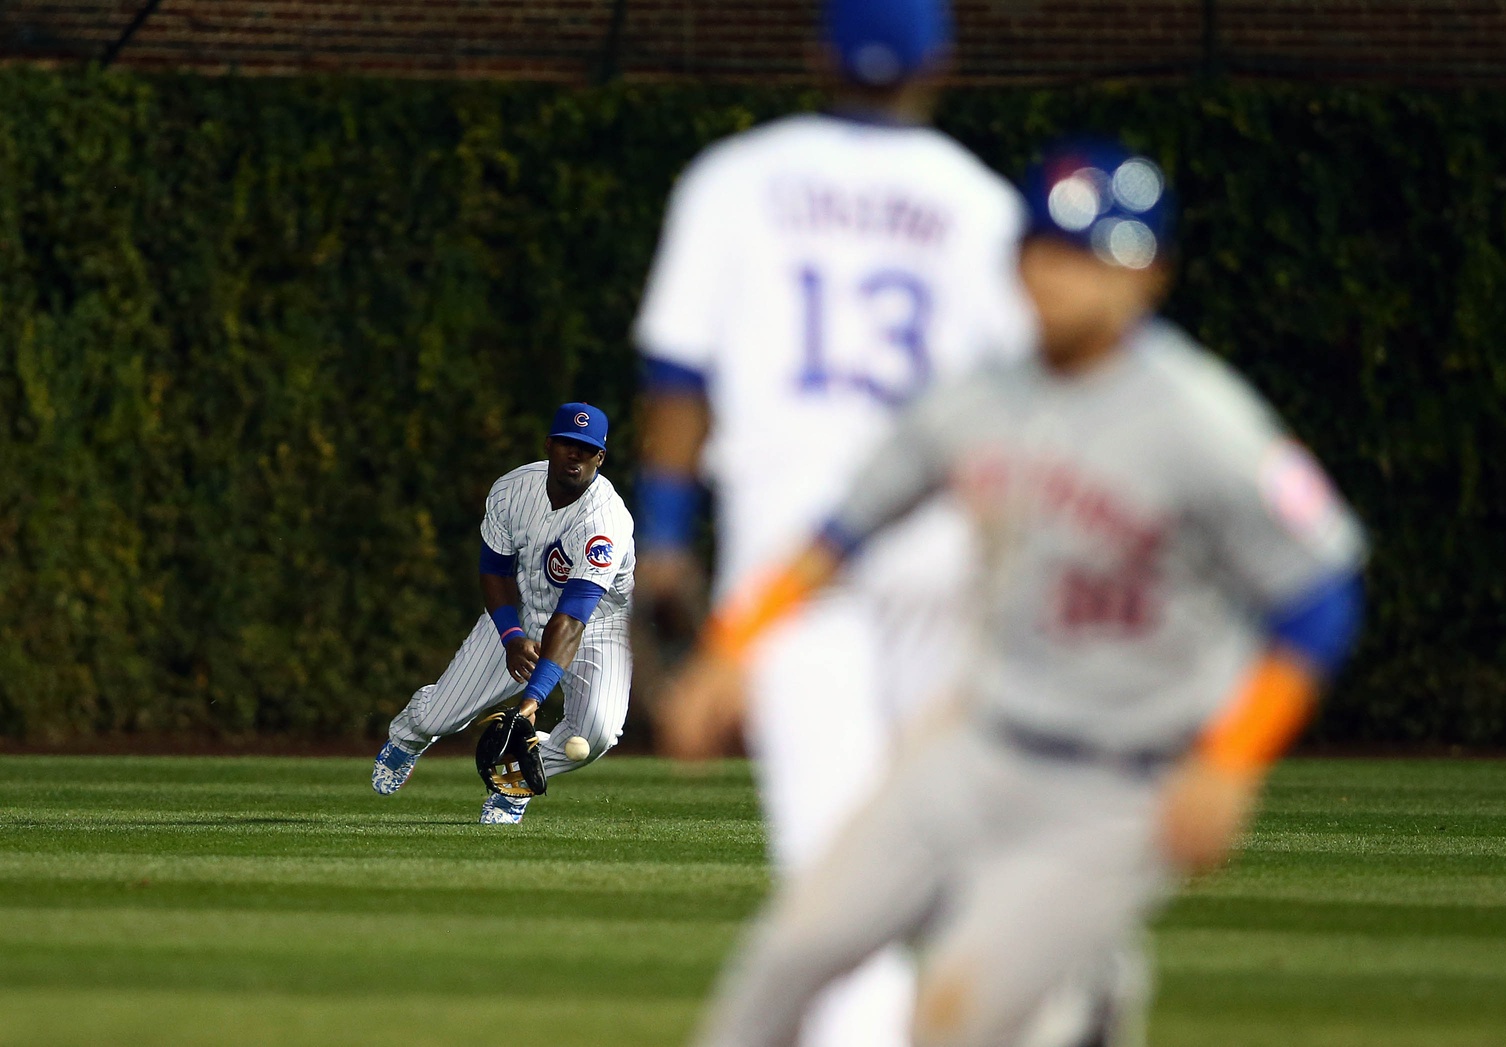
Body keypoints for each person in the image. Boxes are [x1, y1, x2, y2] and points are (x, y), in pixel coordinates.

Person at [660, 139, 1368, 1047]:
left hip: (1114, 784)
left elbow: (1322, 593)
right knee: (788, 959)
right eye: (1045, 250)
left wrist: (1231, 758)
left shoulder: (1205, 424)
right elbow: (842, 532)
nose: (1059, 279)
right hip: (972, 745)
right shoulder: (978, 399)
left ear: (1149, 277)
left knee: (950, 1021)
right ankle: (1085, 1001)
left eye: (1092, 258)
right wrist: (734, 647)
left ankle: (1088, 1007)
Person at [633, 1, 1035, 1041]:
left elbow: (679, 376)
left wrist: (668, 537)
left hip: (785, 565)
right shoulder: (982, 207)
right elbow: (1016, 413)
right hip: (945, 557)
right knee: (944, 852)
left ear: (815, 51)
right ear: (939, 61)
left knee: (835, 871)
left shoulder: (733, 182)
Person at [372, 402, 635, 825]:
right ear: (550, 444)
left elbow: (571, 620)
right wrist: (512, 635)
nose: (575, 455)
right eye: (568, 444)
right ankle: (407, 737)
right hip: (527, 612)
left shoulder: (604, 522)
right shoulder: (513, 489)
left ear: (600, 458)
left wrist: (532, 700)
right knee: (441, 714)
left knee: (597, 733)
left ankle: (515, 781)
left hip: (596, 626)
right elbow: (494, 569)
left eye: (586, 450)